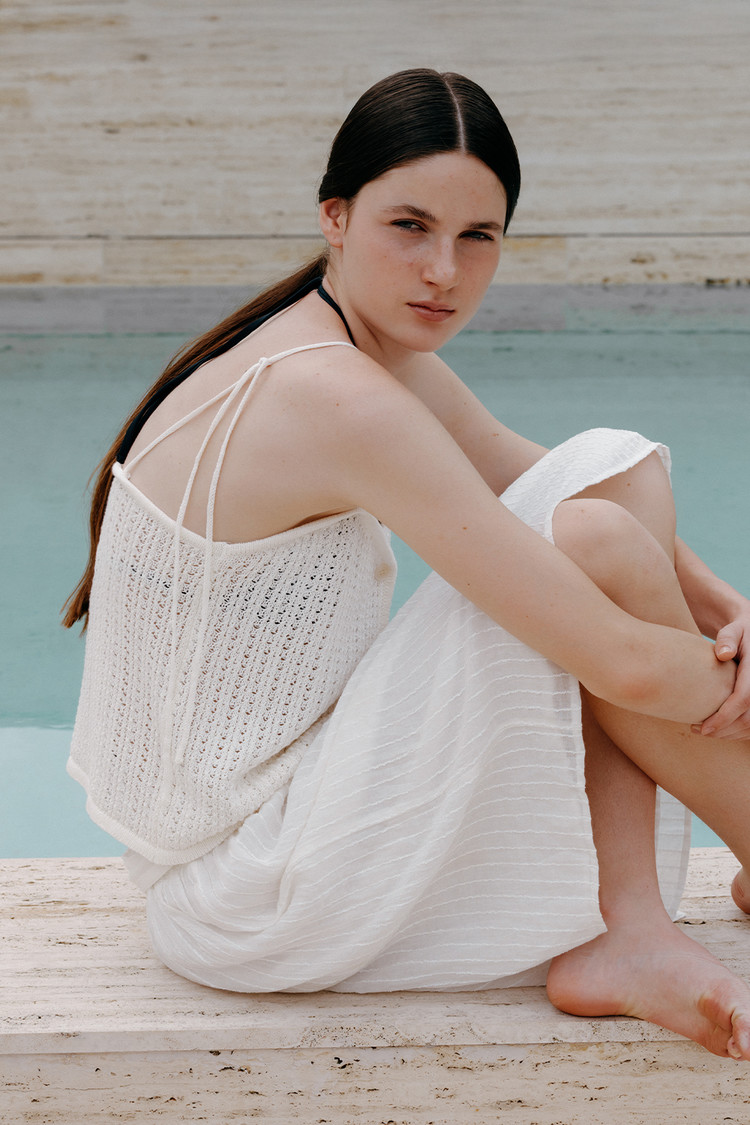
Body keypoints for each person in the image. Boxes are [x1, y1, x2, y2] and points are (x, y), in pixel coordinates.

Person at [63, 68, 750, 1059]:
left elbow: (550, 475)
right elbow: (625, 665)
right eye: (410, 227)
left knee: (611, 478)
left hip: (251, 857)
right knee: (596, 541)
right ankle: (647, 914)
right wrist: (728, 678)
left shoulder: (345, 347)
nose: (444, 272)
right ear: (336, 217)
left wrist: (729, 610)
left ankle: (633, 925)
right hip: (252, 895)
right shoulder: (339, 398)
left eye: (479, 238)